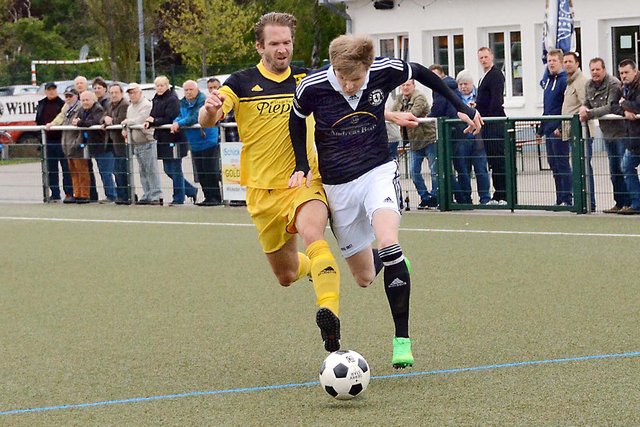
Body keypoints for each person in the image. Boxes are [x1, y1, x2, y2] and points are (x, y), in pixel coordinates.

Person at [289, 34, 481, 368]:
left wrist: (463, 106)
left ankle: (402, 340)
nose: (350, 85)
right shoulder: (312, 86)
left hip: (377, 171)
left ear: (367, 67)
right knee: (364, 277)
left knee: (390, 241)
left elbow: (422, 71)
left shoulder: (384, 70)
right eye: (344, 78)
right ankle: (391, 263)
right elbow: (295, 119)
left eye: (357, 79)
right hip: (338, 185)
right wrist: (302, 166)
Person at [199, 12, 343, 354]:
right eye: (275, 43)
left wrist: (389, 114)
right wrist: (208, 109)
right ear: (260, 46)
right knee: (287, 274)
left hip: (303, 180)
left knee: (313, 234)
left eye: (287, 43)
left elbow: (347, 98)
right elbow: (210, 120)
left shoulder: (308, 78)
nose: (283, 49)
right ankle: (311, 270)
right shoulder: (241, 82)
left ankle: (330, 320)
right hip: (262, 192)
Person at [579, 58, 627, 213]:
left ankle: (630, 203)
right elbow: (587, 102)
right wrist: (583, 108)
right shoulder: (588, 85)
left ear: (604, 69)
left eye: (597, 69)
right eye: (592, 69)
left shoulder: (613, 83)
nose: (594, 72)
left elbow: (611, 106)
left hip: (621, 132)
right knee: (613, 170)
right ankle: (619, 202)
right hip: (607, 133)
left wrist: (590, 114)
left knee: (623, 168)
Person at [144, 75, 198, 206]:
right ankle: (191, 190)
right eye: (157, 85)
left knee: (175, 169)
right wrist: (149, 121)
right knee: (168, 169)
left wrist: (154, 121)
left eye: (162, 85)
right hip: (162, 138)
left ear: (167, 86)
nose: (159, 88)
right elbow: (153, 114)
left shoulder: (172, 99)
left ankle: (178, 198)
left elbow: (170, 117)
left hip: (175, 138)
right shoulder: (156, 98)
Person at [171, 80, 222, 206]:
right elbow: (178, 115)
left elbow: (195, 117)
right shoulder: (182, 102)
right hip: (194, 143)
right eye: (186, 90)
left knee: (210, 170)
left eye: (191, 89)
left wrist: (180, 123)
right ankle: (207, 197)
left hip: (208, 140)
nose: (188, 92)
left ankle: (215, 197)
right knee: (201, 172)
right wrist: (175, 121)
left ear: (197, 89)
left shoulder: (203, 100)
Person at [391, 79, 438, 209]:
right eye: (403, 85)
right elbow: (392, 112)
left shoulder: (420, 97)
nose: (405, 87)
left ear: (413, 86)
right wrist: (395, 115)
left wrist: (397, 115)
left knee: (435, 171)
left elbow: (412, 115)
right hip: (413, 141)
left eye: (408, 85)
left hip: (428, 138)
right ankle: (425, 197)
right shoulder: (400, 98)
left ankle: (435, 197)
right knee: (413, 171)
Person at [429, 64, 471, 204]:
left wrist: (427, 117)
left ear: (441, 74)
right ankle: (466, 198)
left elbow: (438, 108)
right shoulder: (452, 85)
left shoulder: (440, 87)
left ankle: (458, 198)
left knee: (445, 165)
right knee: (461, 166)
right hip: (458, 128)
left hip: (449, 130)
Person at [537, 48, 571, 206]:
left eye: (554, 60)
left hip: (558, 129)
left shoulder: (564, 81)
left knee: (562, 163)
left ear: (561, 62)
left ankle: (567, 198)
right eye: (549, 60)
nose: (551, 63)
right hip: (548, 128)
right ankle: (559, 198)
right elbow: (547, 107)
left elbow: (565, 106)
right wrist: (541, 129)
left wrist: (561, 126)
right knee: (553, 164)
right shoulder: (548, 81)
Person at [122, 83, 163, 205]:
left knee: (151, 169)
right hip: (137, 143)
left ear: (140, 92)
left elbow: (139, 120)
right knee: (143, 170)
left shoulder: (146, 105)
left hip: (147, 141)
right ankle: (147, 194)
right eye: (130, 93)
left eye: (134, 92)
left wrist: (126, 123)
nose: (132, 95)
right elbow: (129, 123)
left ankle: (156, 195)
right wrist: (125, 128)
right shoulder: (130, 107)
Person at [476, 47, 507, 205]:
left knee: (498, 159)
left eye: (486, 57)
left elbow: (496, 100)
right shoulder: (484, 77)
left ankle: (503, 195)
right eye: (481, 57)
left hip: (494, 123)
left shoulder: (495, 75)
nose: (483, 60)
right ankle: (498, 193)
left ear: (492, 57)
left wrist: (486, 115)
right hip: (487, 123)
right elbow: (485, 99)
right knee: (494, 160)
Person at [456, 69, 491, 205]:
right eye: (460, 84)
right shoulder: (456, 98)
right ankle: (466, 199)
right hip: (462, 137)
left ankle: (485, 198)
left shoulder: (479, 96)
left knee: (481, 168)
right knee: (463, 170)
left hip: (478, 139)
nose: (463, 87)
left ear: (472, 84)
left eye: (465, 84)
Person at [36, 82, 72, 203]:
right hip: (48, 141)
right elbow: (38, 121)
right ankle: (55, 193)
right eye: (49, 89)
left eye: (53, 89)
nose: (51, 91)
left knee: (66, 169)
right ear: (45, 91)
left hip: (61, 141)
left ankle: (68, 193)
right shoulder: (41, 104)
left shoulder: (63, 104)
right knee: (51, 170)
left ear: (56, 90)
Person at [561, 52, 588, 208]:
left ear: (577, 63)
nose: (567, 64)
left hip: (581, 132)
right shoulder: (570, 82)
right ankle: (579, 201)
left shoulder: (580, 81)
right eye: (565, 61)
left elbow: (585, 104)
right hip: (571, 132)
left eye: (570, 61)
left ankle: (586, 202)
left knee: (583, 166)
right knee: (577, 166)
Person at [614, 59, 640, 215]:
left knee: (626, 166)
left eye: (626, 72)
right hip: (633, 139)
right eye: (621, 73)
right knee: (626, 167)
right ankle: (637, 203)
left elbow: (638, 105)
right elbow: (614, 105)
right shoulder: (623, 88)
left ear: (635, 71)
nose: (624, 76)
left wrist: (625, 104)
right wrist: (624, 110)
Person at [57, 88, 90, 203]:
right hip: (67, 145)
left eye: (70, 96)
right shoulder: (66, 109)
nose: (68, 98)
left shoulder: (79, 109)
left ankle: (84, 194)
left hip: (77, 146)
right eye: (66, 96)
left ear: (77, 96)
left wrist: (78, 143)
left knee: (82, 171)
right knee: (73, 172)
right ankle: (77, 193)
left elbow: (81, 129)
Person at [102, 83, 130, 204]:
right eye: (111, 93)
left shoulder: (124, 105)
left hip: (121, 142)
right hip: (111, 142)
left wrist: (110, 121)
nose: (113, 95)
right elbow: (103, 116)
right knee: (116, 170)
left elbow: (122, 120)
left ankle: (125, 196)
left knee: (122, 170)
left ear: (121, 93)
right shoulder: (109, 104)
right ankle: (121, 195)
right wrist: (105, 120)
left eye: (116, 92)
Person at [73, 75, 99, 202]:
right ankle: (88, 194)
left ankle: (109, 195)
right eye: (77, 83)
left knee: (105, 171)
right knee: (85, 169)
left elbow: (92, 122)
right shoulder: (81, 108)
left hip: (97, 143)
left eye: (81, 83)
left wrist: (79, 123)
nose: (79, 85)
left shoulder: (96, 107)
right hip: (83, 142)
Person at [207, 77, 239, 143]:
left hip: (233, 138)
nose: (213, 90)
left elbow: (228, 118)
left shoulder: (227, 99)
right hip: (216, 141)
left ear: (220, 87)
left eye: (215, 87)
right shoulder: (208, 103)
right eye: (210, 88)